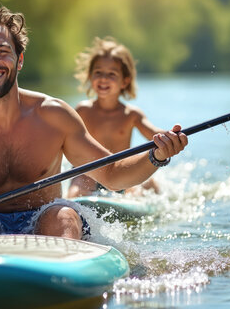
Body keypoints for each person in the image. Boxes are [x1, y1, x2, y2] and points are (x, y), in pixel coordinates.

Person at [0, 4, 188, 244]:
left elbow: (112, 174)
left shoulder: (54, 115)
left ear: (19, 59)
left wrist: (157, 156)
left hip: (47, 217)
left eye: (2, 51)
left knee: (62, 215)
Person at [66, 37, 165, 198]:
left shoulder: (131, 114)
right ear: (91, 77)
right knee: (77, 188)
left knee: (146, 185)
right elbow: (62, 136)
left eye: (111, 74)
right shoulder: (82, 110)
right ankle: (72, 204)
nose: (103, 78)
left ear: (125, 81)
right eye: (98, 72)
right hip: (87, 171)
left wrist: (168, 137)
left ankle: (147, 200)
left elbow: (153, 133)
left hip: (121, 172)